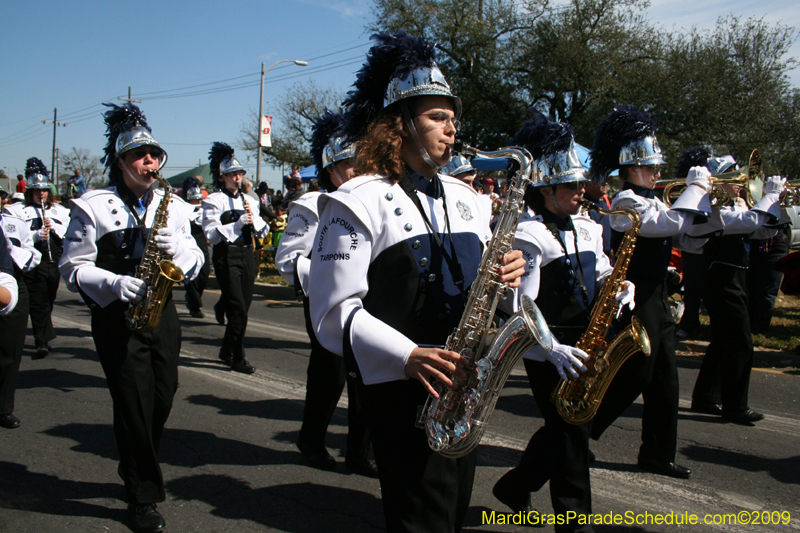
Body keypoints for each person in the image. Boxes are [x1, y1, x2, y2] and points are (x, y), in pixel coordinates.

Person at [308, 31, 526, 533]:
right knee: (418, 519)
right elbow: (332, 313)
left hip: (463, 382)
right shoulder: (357, 199)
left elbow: (484, 292)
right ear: (399, 125)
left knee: (451, 515)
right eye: (436, 118)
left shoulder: (468, 197)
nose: (451, 131)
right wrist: (407, 355)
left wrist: (508, 278)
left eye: (454, 119)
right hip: (402, 384)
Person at [58, 103, 204, 533]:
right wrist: (113, 284)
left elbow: (196, 259)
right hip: (116, 315)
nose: (150, 162)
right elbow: (72, 268)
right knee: (134, 402)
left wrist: (179, 251)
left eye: (154, 155)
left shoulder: (173, 205)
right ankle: (142, 493)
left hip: (163, 311)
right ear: (120, 162)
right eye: (140, 156)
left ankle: (135, 461)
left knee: (163, 395)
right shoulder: (94, 207)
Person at [491, 111, 634, 532]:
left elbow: (604, 270)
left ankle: (517, 485)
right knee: (571, 434)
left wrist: (622, 287)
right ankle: (575, 524)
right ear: (547, 190)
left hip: (592, 339)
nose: (580, 191)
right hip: (547, 347)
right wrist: (551, 349)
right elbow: (521, 305)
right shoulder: (529, 234)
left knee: (570, 427)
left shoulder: (588, 227)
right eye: (571, 185)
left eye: (579, 183)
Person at [587, 106, 711, 480]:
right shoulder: (627, 201)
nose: (659, 173)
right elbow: (667, 224)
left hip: (659, 299)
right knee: (635, 376)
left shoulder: (653, 198)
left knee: (666, 381)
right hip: (636, 299)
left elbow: (689, 232)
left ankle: (657, 452)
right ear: (630, 167)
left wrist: (712, 207)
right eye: (652, 166)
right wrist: (697, 188)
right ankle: (582, 431)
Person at [276, 109, 376, 477]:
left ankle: (360, 452)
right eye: (348, 165)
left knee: (369, 373)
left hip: (366, 297)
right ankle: (311, 438)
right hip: (324, 298)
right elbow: (287, 260)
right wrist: (325, 273)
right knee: (330, 374)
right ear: (330, 171)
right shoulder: (310, 205)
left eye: (361, 163)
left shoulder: (372, 200)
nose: (357, 171)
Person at [681, 148, 785, 424]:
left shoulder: (734, 207)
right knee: (741, 342)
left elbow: (762, 230)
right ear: (717, 182)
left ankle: (704, 396)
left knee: (722, 341)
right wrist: (771, 196)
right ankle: (735, 405)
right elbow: (752, 221)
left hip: (734, 279)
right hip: (721, 281)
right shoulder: (715, 211)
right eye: (734, 179)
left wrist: (780, 203)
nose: (741, 185)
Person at [203, 142, 267, 374]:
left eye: (239, 174)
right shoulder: (213, 200)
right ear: (223, 177)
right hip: (226, 256)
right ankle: (238, 358)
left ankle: (225, 350)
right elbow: (211, 234)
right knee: (238, 311)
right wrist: (237, 224)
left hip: (246, 255)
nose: (237, 178)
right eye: (232, 175)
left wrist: (256, 223)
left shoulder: (249, 200)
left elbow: (262, 228)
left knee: (243, 310)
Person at [3, 158, 70, 358]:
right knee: (39, 299)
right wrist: (35, 235)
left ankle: (42, 331)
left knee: (49, 298)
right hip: (34, 260)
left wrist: (54, 228)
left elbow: (68, 232)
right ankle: (42, 341)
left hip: (54, 258)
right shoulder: (17, 210)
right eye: (36, 190)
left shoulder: (60, 210)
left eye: (44, 190)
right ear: (29, 192)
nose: (40, 194)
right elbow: (13, 236)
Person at [0, 211, 38, 430]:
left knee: (9, 350)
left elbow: (33, 254)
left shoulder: (15, 223)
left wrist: (13, 252)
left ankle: (4, 408)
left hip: (12, 280)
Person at [181, 176, 211, 319]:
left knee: (204, 274)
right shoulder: (182, 211)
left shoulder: (203, 211)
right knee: (191, 276)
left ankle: (194, 298)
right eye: (195, 200)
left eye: (199, 199)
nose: (198, 202)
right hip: (188, 243)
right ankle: (194, 305)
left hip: (202, 243)